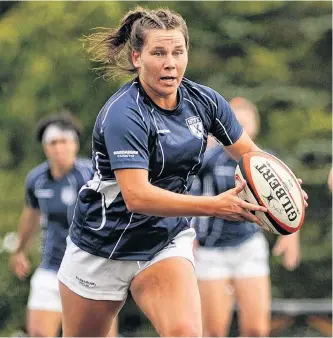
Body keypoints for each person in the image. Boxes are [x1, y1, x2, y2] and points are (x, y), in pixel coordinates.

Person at [57, 7, 307, 337]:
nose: (170, 62)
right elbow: (137, 196)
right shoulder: (123, 114)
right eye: (158, 52)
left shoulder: (206, 102)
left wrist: (281, 184)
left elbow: (250, 155)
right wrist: (215, 206)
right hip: (101, 246)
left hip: (164, 239)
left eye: (178, 51)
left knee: (186, 333)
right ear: (136, 57)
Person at [191, 97, 302, 337]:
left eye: (246, 120)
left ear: (255, 125)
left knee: (256, 330)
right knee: (214, 331)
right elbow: (189, 195)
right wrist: (189, 237)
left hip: (248, 246)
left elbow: (288, 200)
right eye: (236, 120)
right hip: (211, 250)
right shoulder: (208, 159)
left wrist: (292, 234)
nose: (241, 124)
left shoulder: (265, 160)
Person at [9, 114, 92, 337]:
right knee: (38, 333)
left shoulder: (91, 175)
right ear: (46, 147)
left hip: (89, 268)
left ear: (75, 144)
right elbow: (31, 215)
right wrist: (19, 249)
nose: (59, 148)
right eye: (53, 143)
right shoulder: (36, 179)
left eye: (64, 141)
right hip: (52, 265)